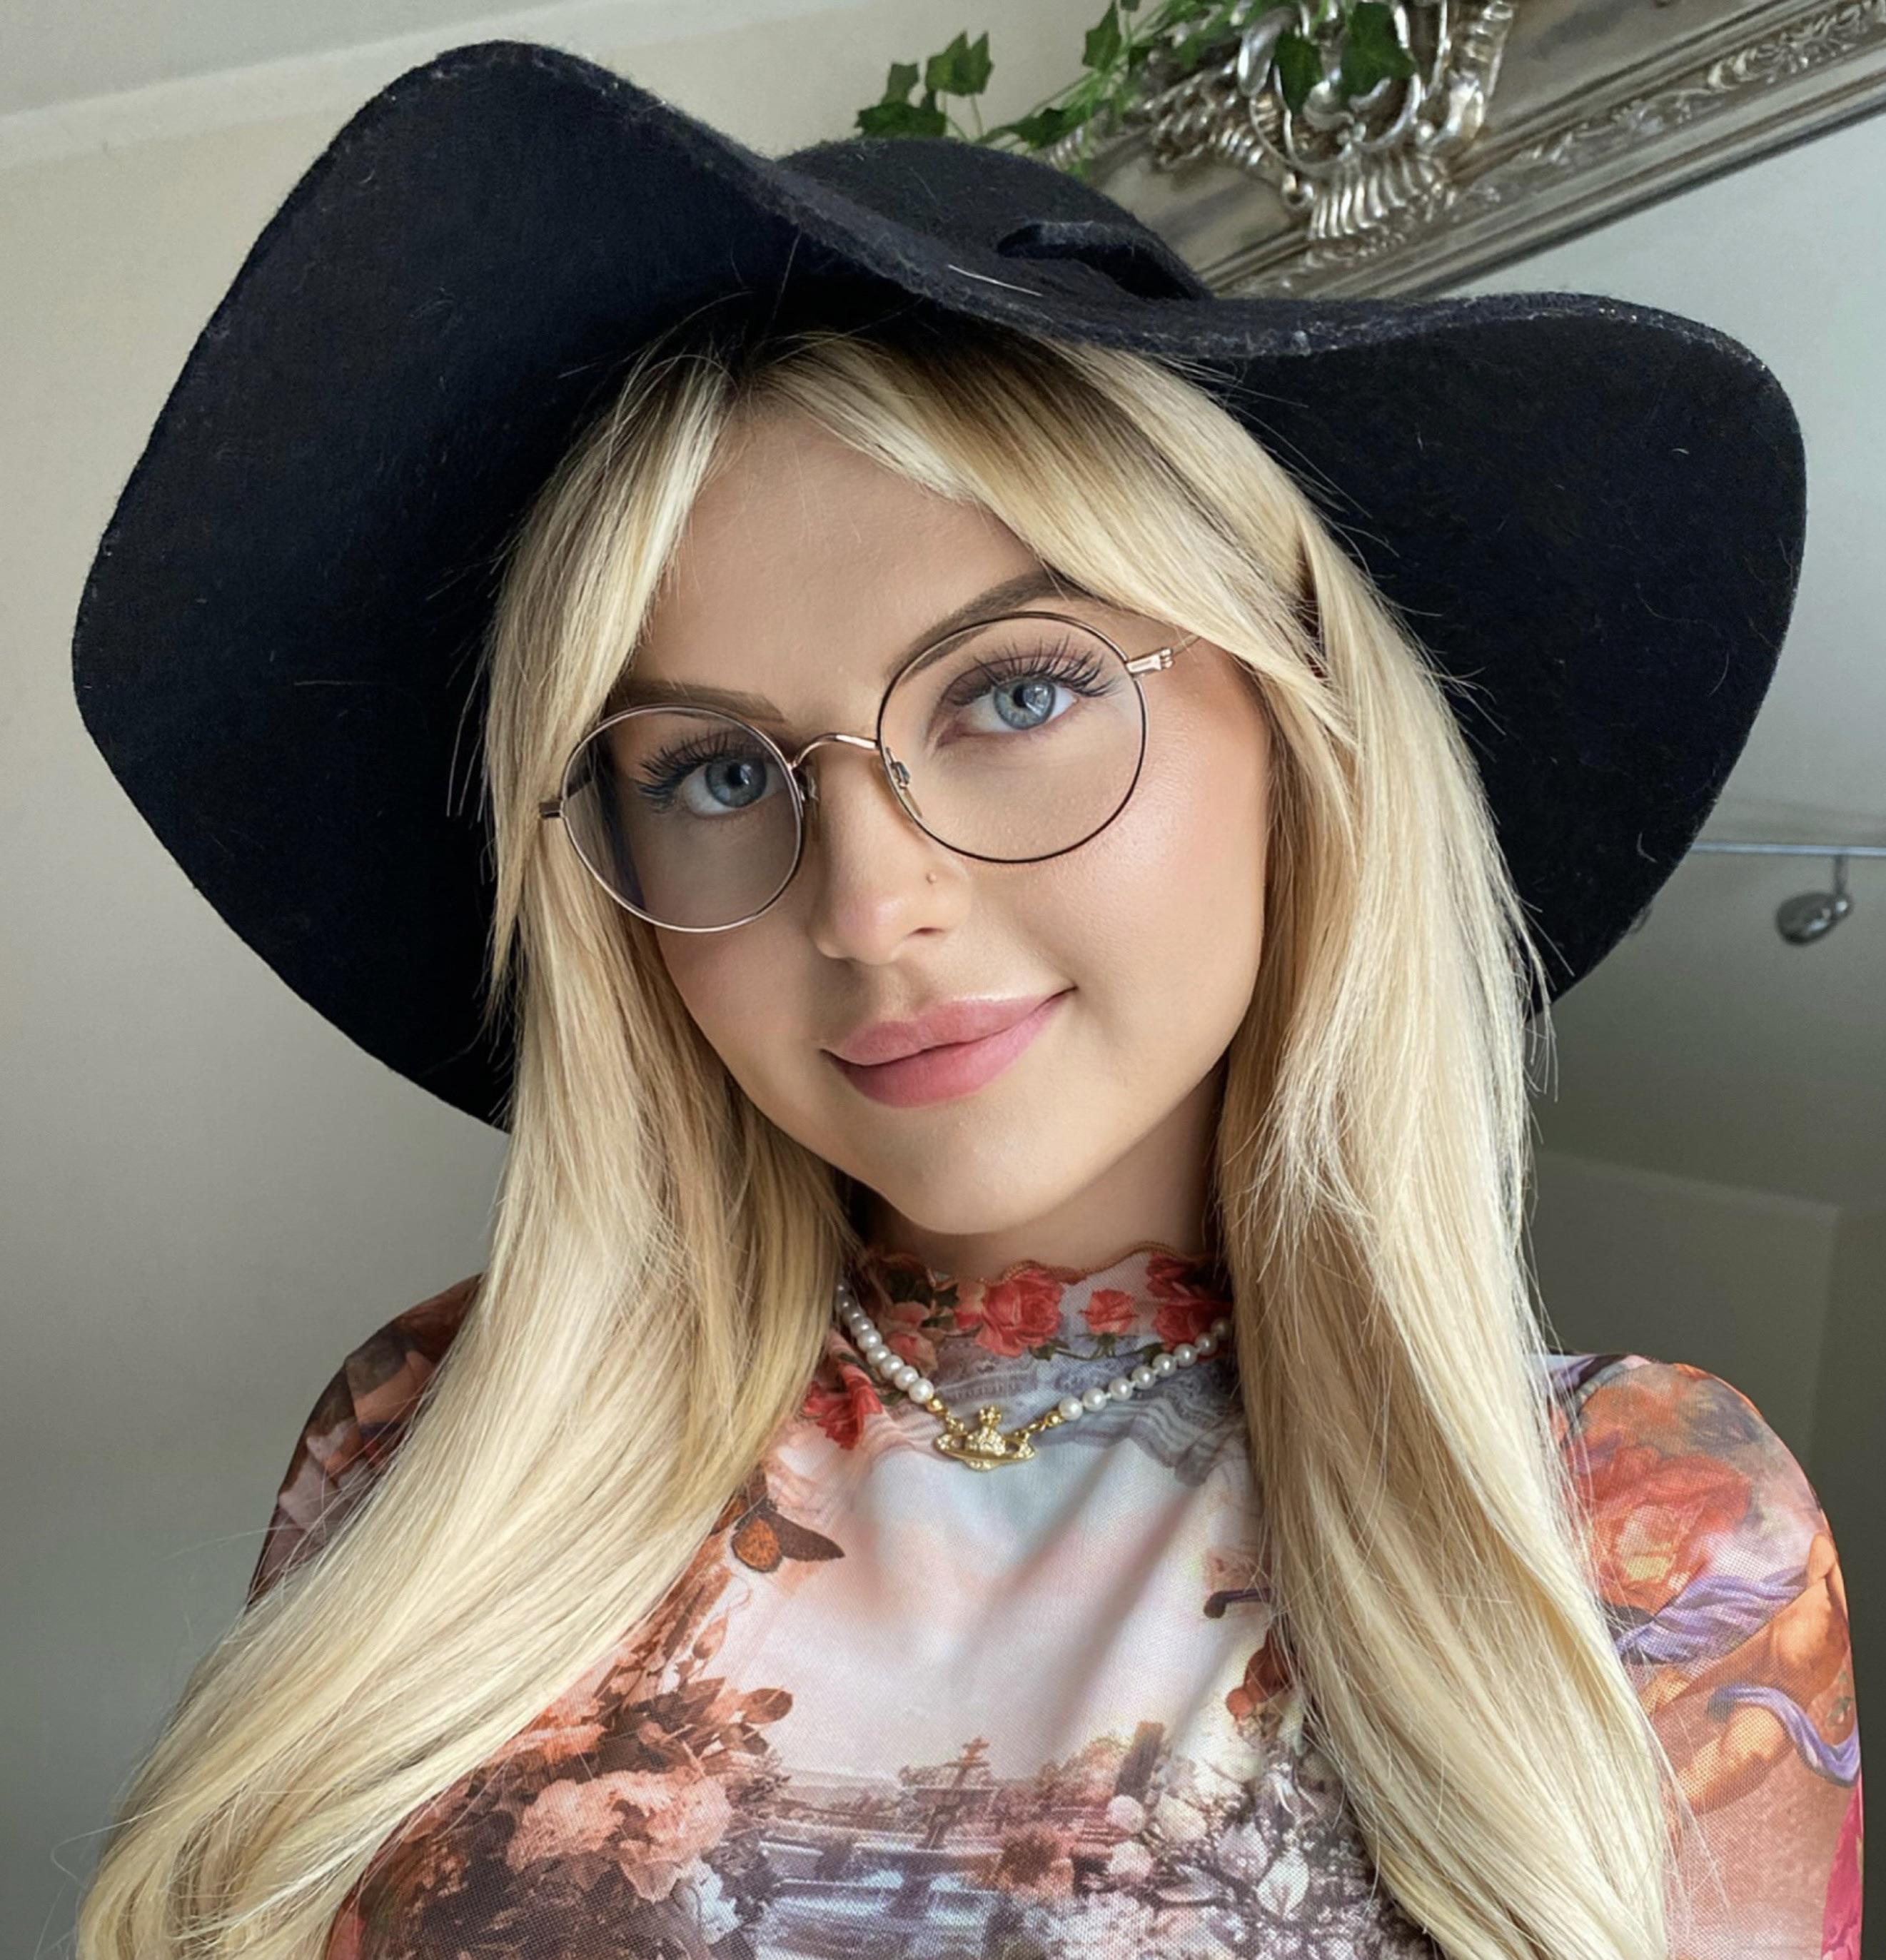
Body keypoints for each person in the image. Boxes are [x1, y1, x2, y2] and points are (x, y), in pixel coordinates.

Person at [68, 41, 1858, 1960]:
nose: (869, 905)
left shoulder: (1642, 1537)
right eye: (714, 771)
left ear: (1303, 726)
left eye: (1014, 691)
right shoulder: (435, 1445)